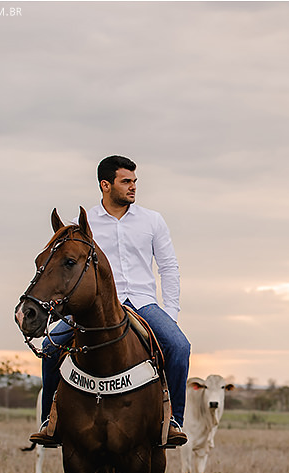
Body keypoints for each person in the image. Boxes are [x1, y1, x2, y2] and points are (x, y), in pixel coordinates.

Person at [30, 155, 189, 448]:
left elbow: (169, 268)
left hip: (142, 303)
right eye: (125, 181)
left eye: (134, 182)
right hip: (94, 309)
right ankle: (50, 421)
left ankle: (174, 420)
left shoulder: (152, 220)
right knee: (51, 345)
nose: (132, 187)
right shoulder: (84, 224)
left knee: (179, 346)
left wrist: (171, 313)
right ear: (106, 185)